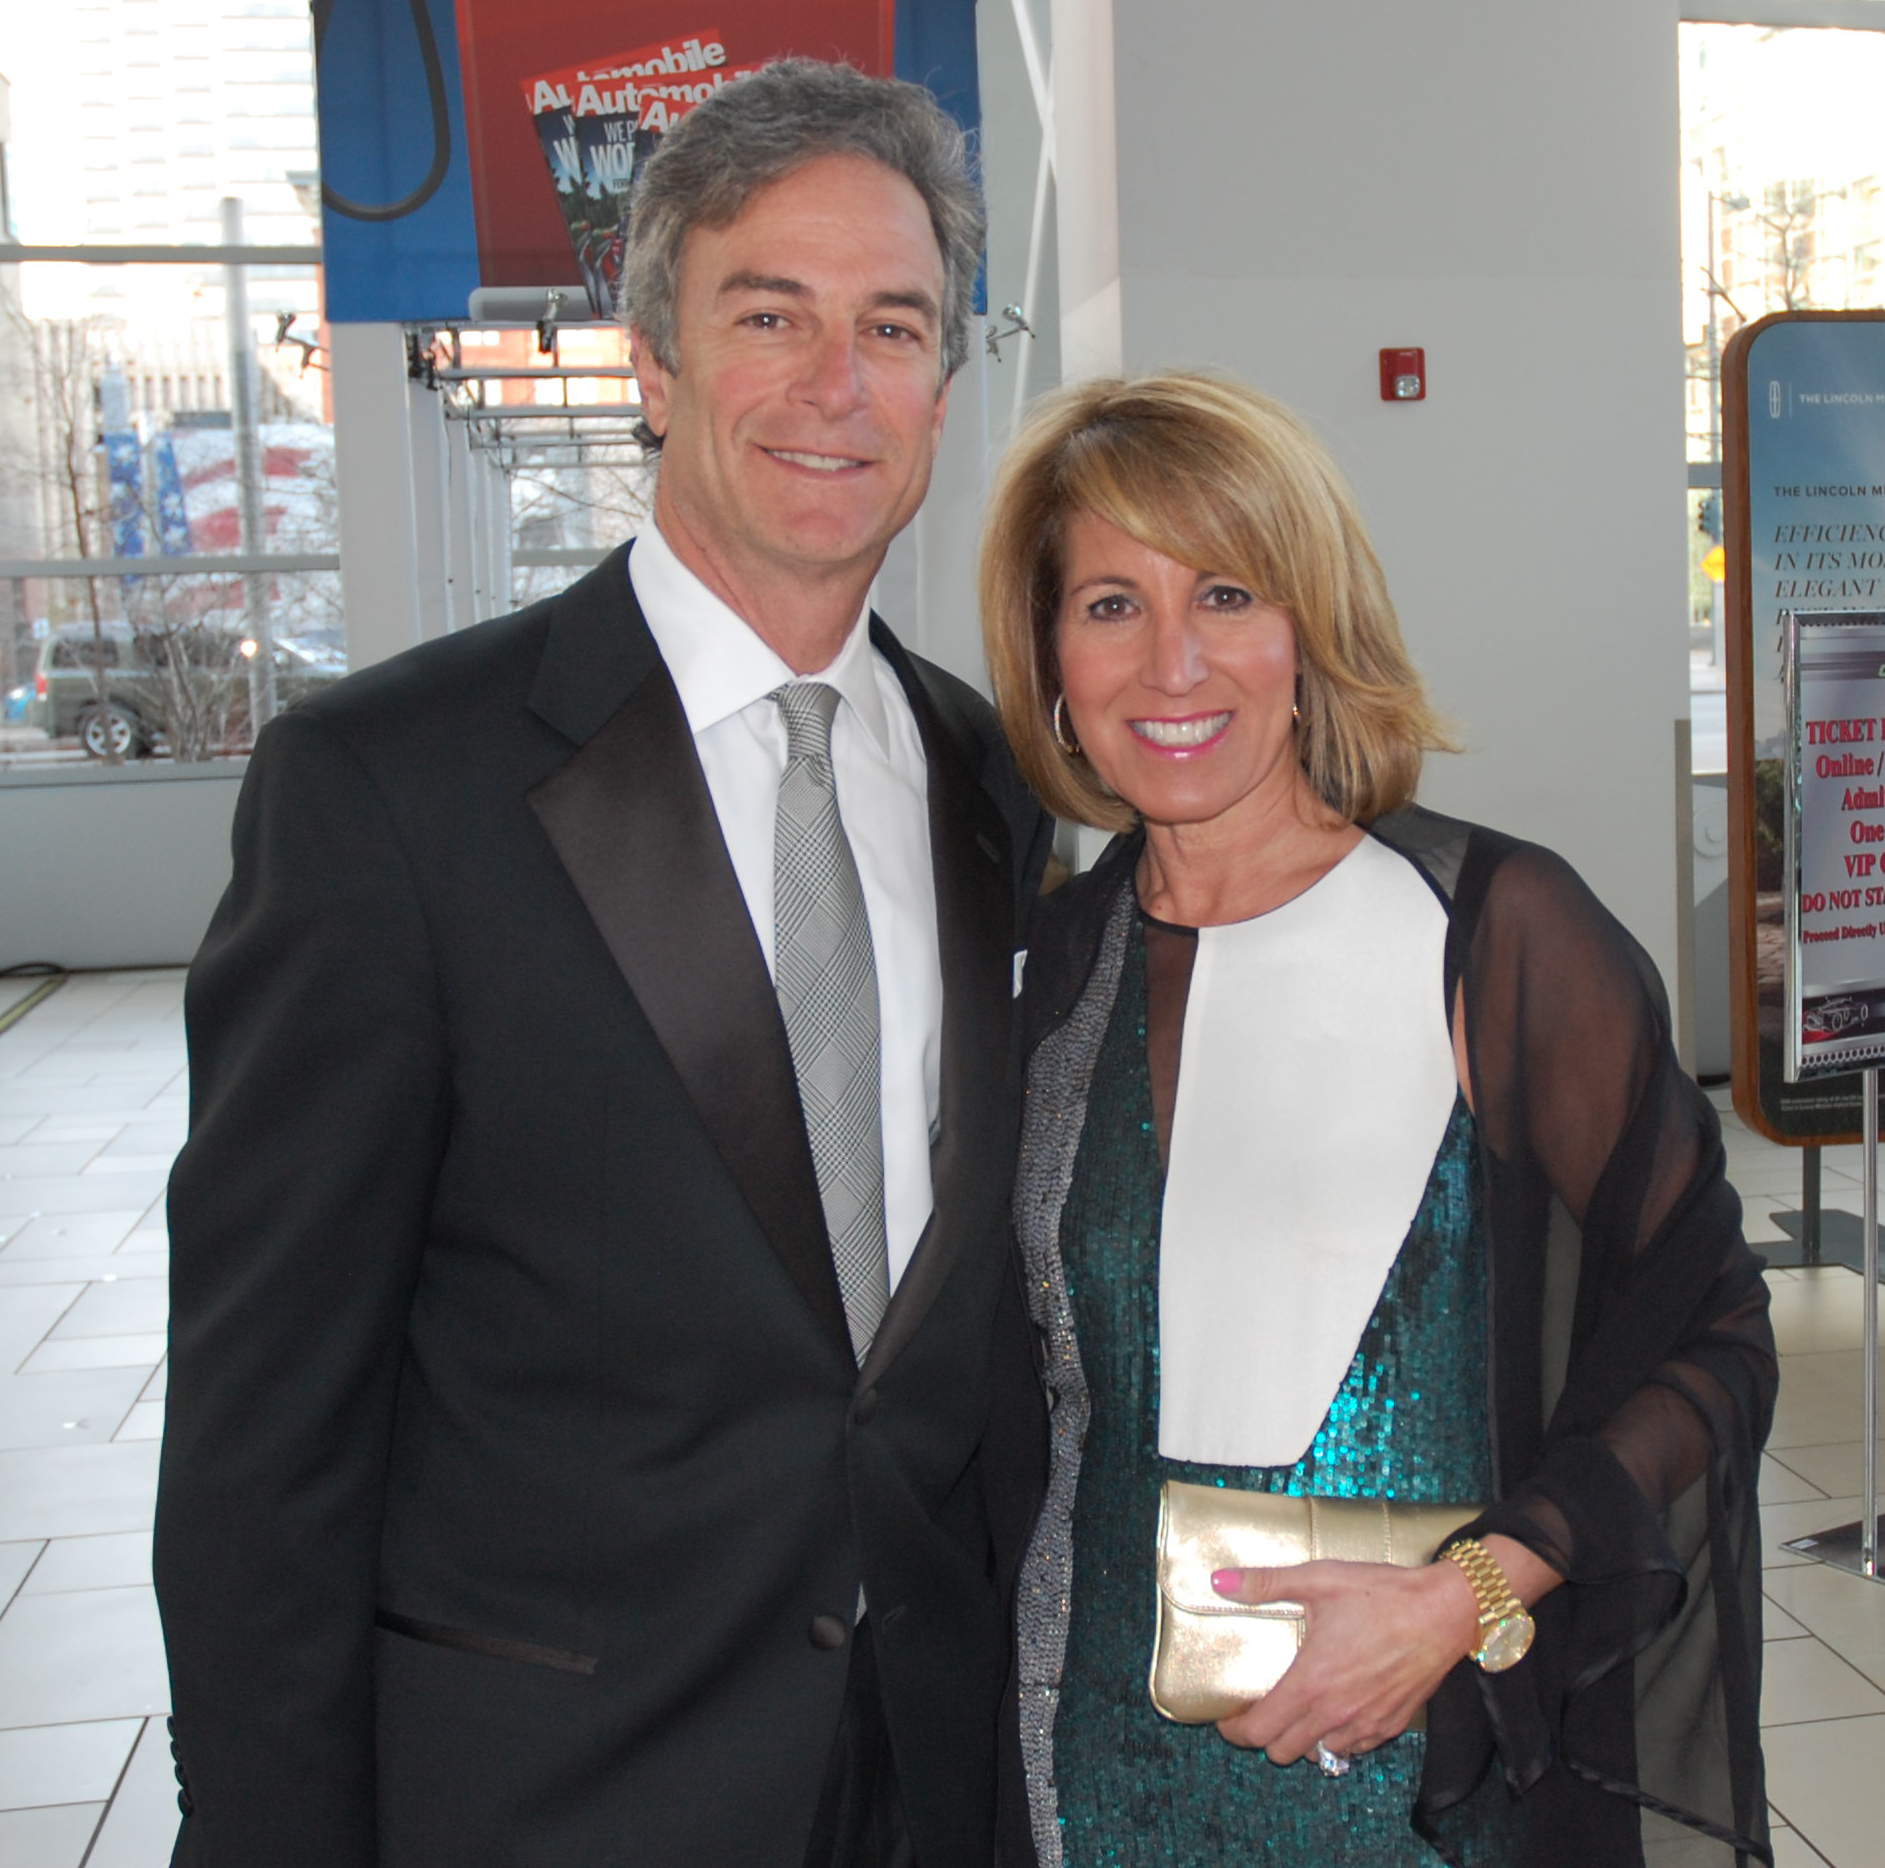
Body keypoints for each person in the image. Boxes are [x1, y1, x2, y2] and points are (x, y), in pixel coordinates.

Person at [155, 60, 1050, 1868]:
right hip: (560, 1788)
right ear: (650, 363)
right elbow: (267, 1428)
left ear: (943, 389)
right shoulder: (391, 791)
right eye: (767, 314)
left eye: (892, 324)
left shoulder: (985, 777)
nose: (835, 382)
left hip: (930, 1775)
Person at [979, 372, 1776, 1868]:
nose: (1170, 663)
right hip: (1082, 1757)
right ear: (1048, 657)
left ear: (1309, 630)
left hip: (1419, 1771)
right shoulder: (1040, 984)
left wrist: (1470, 1593)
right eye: (1106, 605)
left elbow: (1713, 1338)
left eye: (1224, 592)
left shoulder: (1493, 930)